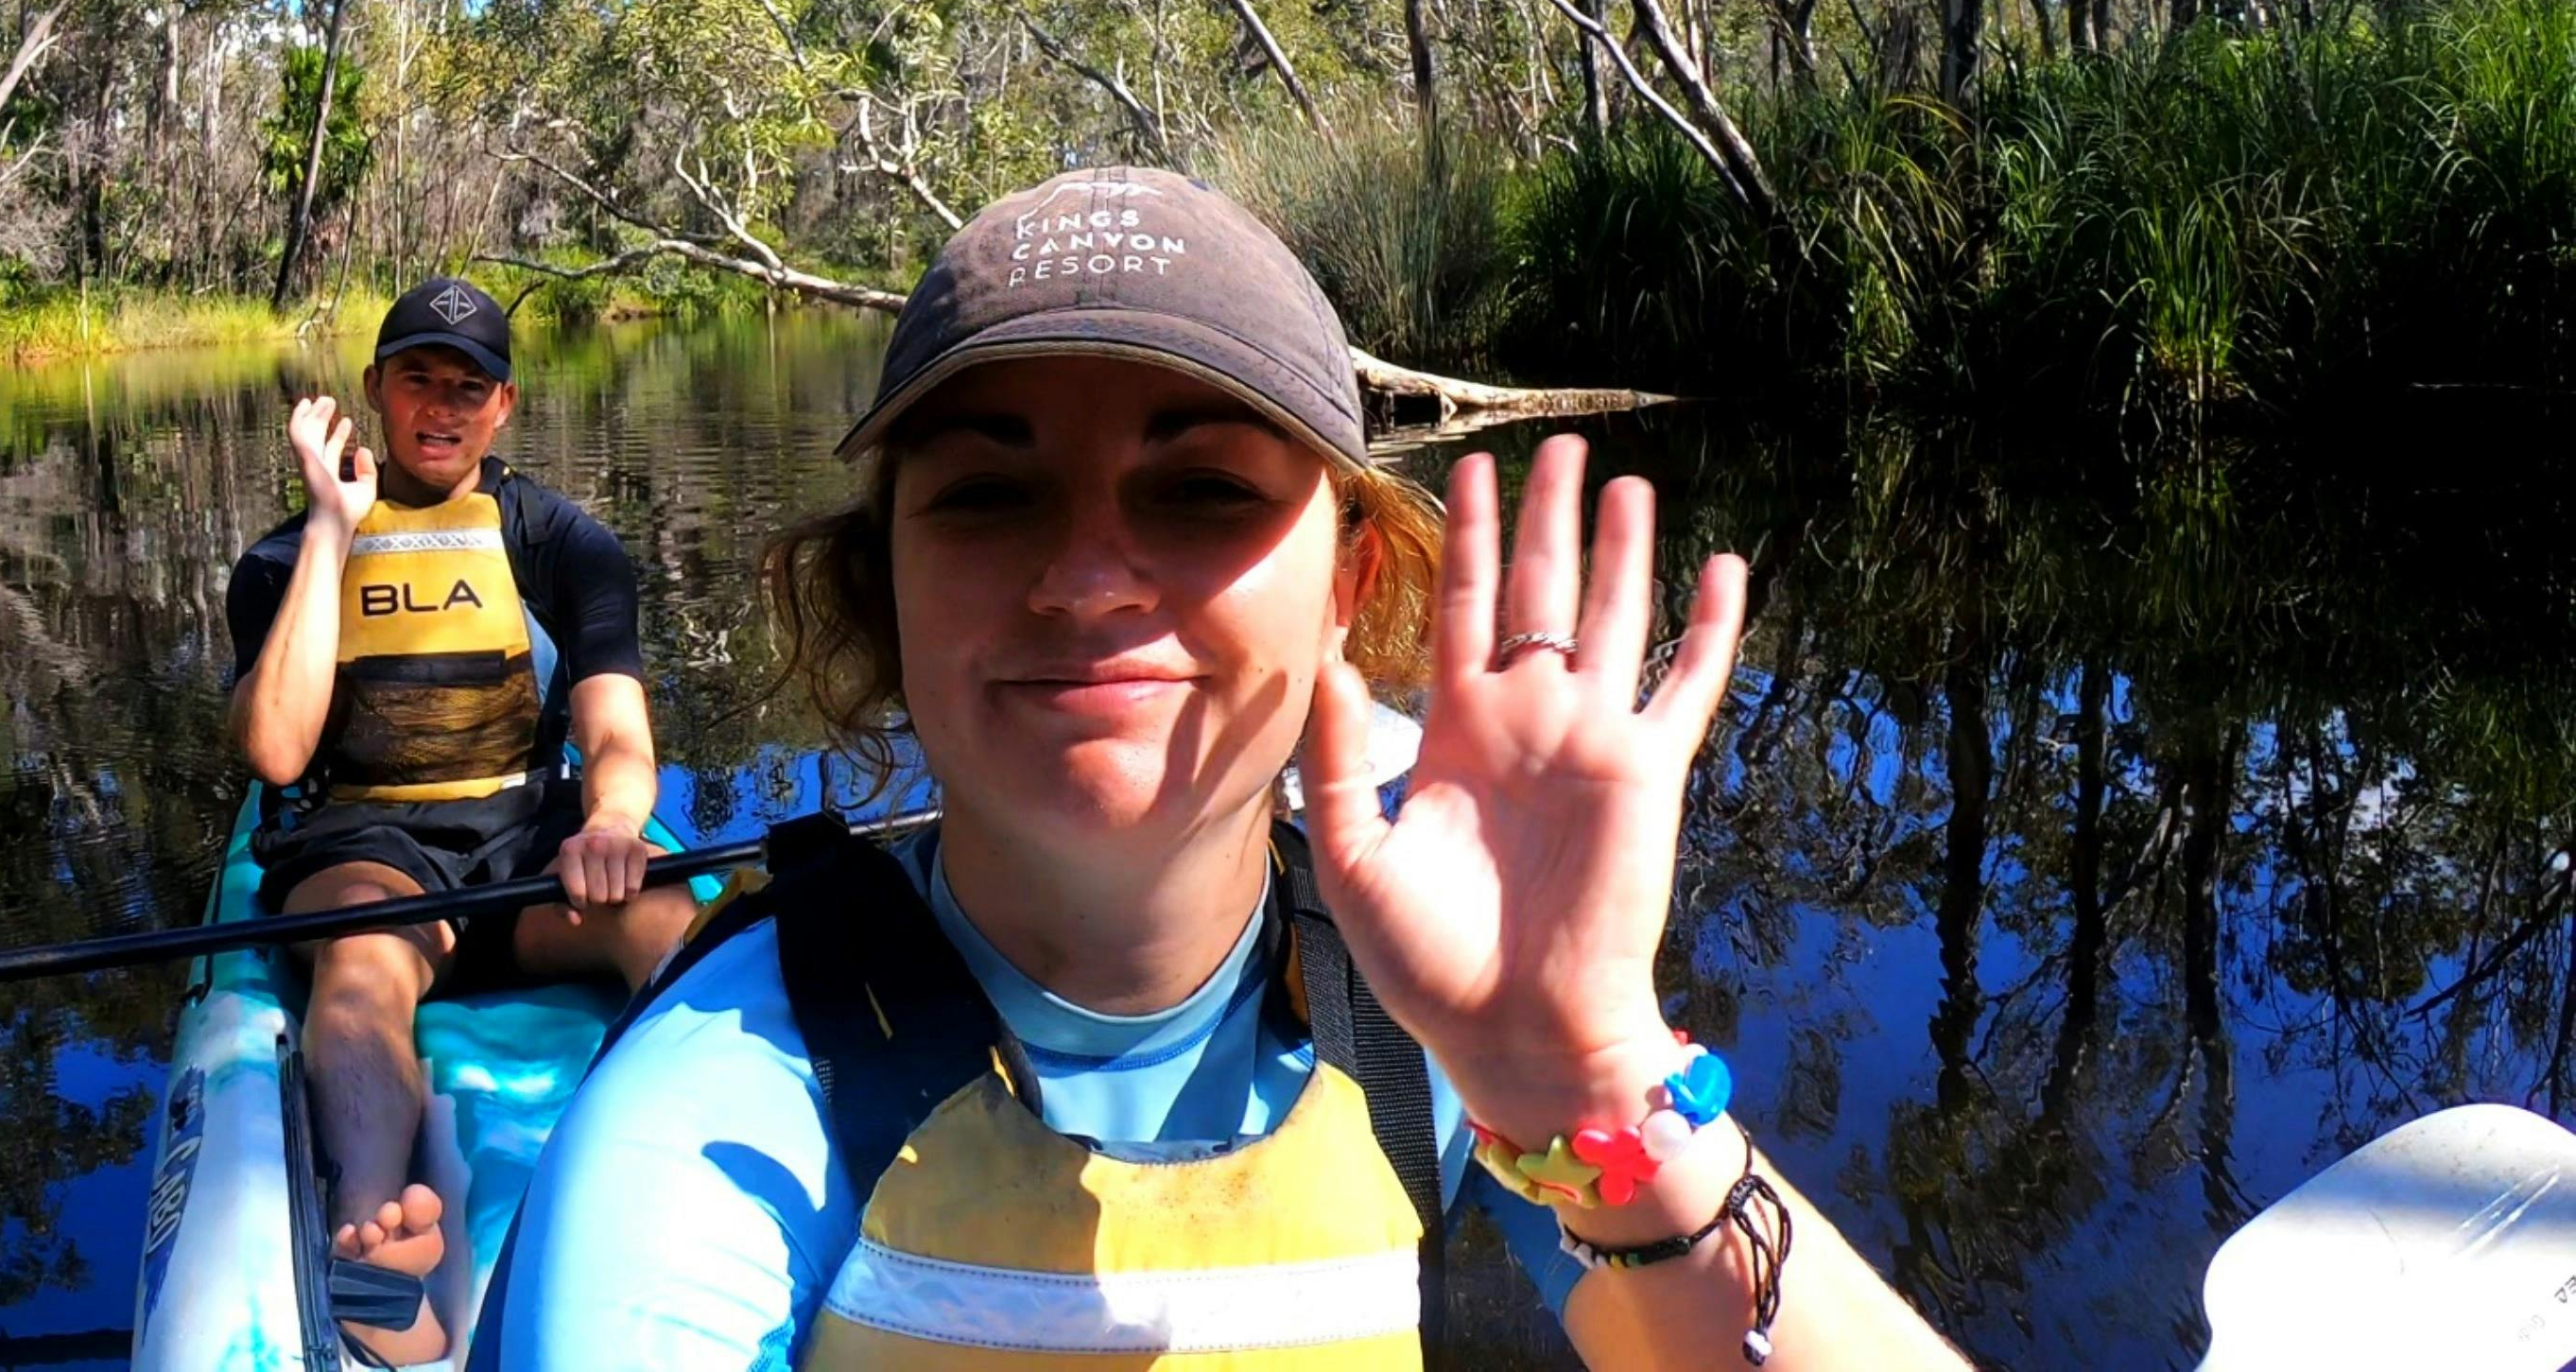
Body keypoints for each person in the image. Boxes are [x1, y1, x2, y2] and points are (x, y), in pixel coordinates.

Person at [477, 169, 1969, 1371]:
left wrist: (1582, 1069)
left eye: (1201, 492)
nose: (1085, 580)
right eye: (990, 496)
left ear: (1348, 582)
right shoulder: (707, 1127)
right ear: (883, 595)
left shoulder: (1434, 1022)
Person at [225, 275, 698, 1366]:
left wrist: (616, 823)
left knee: (677, 932)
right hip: (364, 848)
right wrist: (334, 528)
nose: (441, 408)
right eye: (417, 380)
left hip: (524, 843)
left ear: (504, 406)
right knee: (359, 966)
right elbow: (276, 754)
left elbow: (616, 731)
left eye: (467, 386)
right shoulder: (281, 561)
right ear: (374, 393)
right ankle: (373, 1239)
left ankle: (685, 1177)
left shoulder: (562, 542)